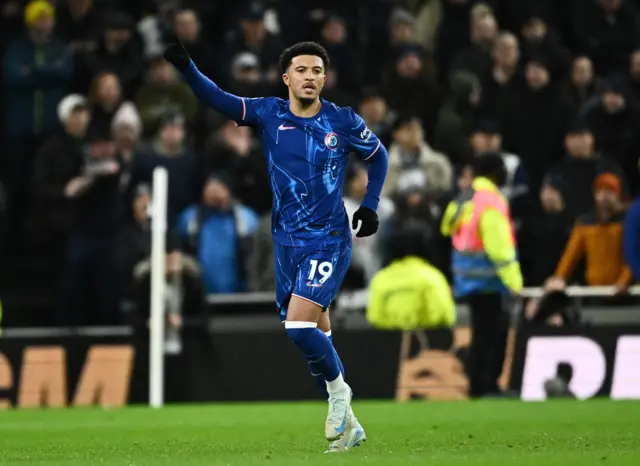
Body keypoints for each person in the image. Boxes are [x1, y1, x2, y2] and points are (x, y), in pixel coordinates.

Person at [164, 39, 388, 452]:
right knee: (316, 334)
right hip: (285, 240)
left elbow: (379, 156)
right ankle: (352, 427)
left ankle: (340, 394)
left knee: (298, 327)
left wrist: (370, 206)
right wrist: (187, 68)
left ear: (325, 78)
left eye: (317, 71)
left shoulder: (342, 121)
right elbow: (217, 98)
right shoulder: (269, 112)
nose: (310, 77)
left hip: (329, 238)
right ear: (287, 78)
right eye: (302, 70)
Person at [440, 153, 523, 398]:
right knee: (493, 336)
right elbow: (500, 247)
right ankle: (487, 386)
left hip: (466, 279)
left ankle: (478, 385)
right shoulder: (492, 201)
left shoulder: (464, 198)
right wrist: (514, 282)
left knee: (480, 335)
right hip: (490, 281)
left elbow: (446, 226)